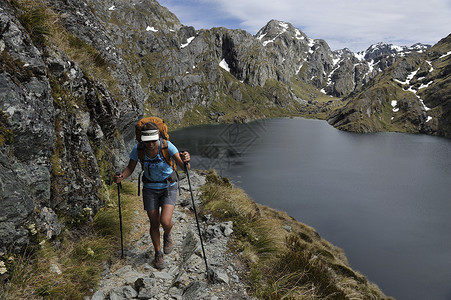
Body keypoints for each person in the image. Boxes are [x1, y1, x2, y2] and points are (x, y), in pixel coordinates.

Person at [113, 121, 190, 269]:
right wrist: (121, 177)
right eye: (147, 142)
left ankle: (167, 234)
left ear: (158, 138)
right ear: (142, 140)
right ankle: (158, 252)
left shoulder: (167, 146)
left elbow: (184, 168)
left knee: (165, 221)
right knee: (154, 223)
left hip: (168, 186)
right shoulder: (139, 149)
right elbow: (130, 167)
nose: (150, 145)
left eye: (153, 141)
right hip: (149, 188)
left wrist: (186, 160)